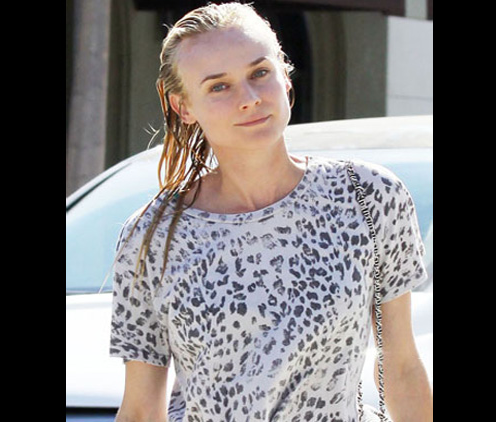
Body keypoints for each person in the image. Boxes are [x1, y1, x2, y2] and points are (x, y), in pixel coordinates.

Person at [109, 2, 433, 422]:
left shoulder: (367, 196)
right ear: (183, 106)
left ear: (284, 74)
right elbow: (140, 410)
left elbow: (401, 367)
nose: (249, 99)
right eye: (219, 86)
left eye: (260, 73)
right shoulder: (151, 236)